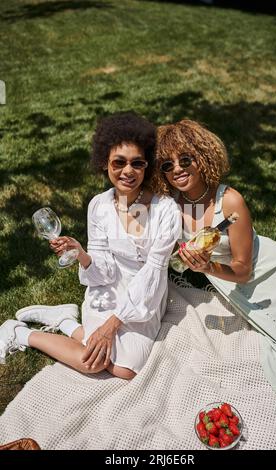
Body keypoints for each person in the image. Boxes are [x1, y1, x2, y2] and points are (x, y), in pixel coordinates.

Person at [0, 112, 181, 380]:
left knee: (124, 369)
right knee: (93, 362)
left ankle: (66, 322)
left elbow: (153, 274)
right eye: (118, 162)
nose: (127, 171)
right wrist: (83, 256)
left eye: (137, 163)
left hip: (147, 293)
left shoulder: (166, 209)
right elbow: (104, 271)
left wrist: (112, 325)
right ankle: (20, 333)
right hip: (107, 289)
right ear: (104, 163)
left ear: (147, 166)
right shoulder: (98, 205)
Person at [154, 119, 276, 407]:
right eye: (166, 166)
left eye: (185, 159)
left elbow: (244, 269)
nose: (178, 169)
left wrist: (206, 268)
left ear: (203, 157)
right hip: (231, 282)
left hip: (270, 271)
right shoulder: (169, 204)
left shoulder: (230, 201)